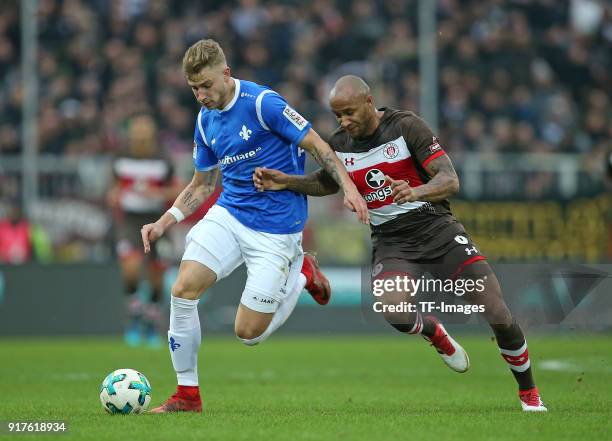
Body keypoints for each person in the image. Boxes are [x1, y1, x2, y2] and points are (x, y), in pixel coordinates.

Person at [253, 75, 547, 412]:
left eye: (349, 112)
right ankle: (435, 333)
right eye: (337, 116)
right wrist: (287, 182)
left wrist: (415, 190)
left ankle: (529, 392)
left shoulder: (406, 126)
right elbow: (328, 183)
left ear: (369, 102)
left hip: (437, 229)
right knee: (393, 308)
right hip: (392, 241)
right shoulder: (339, 144)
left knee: (495, 309)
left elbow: (449, 179)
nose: (344, 121)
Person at [140, 40, 369, 413]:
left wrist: (350, 190)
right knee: (182, 290)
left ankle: (301, 273)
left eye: (207, 86)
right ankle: (187, 395)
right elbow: (202, 184)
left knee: (248, 335)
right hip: (230, 214)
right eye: (194, 88)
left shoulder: (263, 104)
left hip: (277, 229)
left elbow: (319, 147)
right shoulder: (204, 120)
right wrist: (164, 221)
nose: (201, 95)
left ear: (226, 74)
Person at [107, 114, 181, 347]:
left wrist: (157, 194)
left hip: (157, 220)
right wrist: (114, 195)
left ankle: (150, 323)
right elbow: (113, 187)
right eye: (136, 128)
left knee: (157, 276)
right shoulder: (120, 157)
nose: (140, 132)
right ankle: (134, 316)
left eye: (144, 127)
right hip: (130, 221)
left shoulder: (162, 159)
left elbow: (176, 190)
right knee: (130, 267)